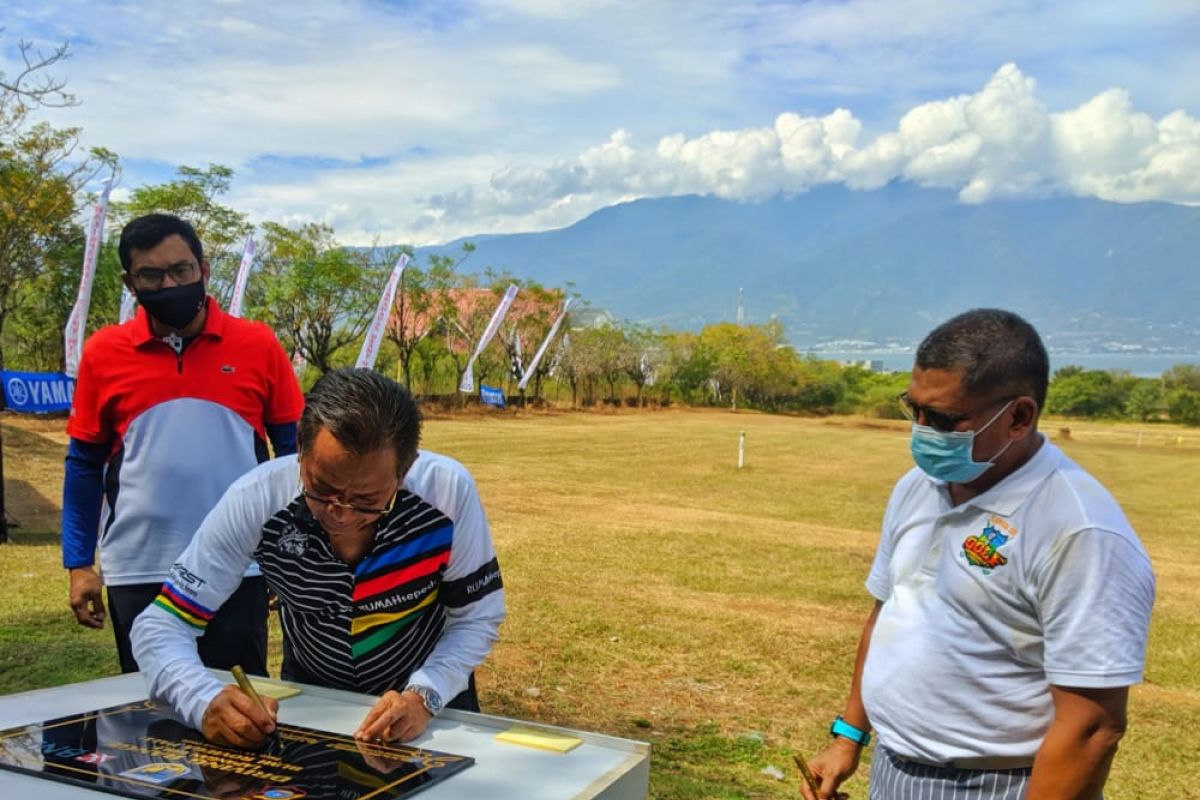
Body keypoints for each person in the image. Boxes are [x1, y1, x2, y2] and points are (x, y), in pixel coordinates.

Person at [801, 309, 1155, 800]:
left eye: (944, 419)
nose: (922, 430)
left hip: (999, 784)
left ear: (1018, 417)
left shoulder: (1080, 531)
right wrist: (849, 736)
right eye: (914, 409)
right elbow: (889, 611)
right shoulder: (918, 487)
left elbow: (1092, 728)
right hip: (894, 766)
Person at [131, 368, 506, 749]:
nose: (340, 515)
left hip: (427, 713)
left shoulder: (446, 494)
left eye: (367, 500)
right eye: (321, 488)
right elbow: (160, 625)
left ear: (404, 471)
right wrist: (200, 699)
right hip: (314, 710)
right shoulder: (257, 500)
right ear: (300, 446)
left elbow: (477, 616)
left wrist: (425, 695)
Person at [62, 213, 305, 676]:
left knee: (243, 704)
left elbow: (295, 458)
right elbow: (84, 466)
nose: (169, 284)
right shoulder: (104, 352)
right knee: (151, 705)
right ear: (130, 283)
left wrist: (289, 552)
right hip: (138, 568)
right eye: (151, 275)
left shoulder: (257, 344)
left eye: (181, 270)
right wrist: (78, 564)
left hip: (238, 562)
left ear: (204, 269)